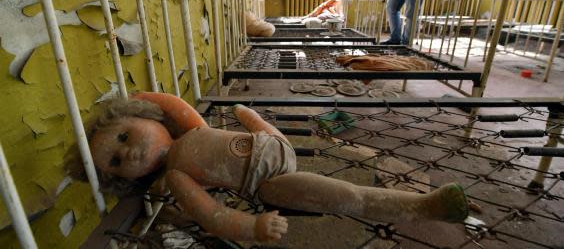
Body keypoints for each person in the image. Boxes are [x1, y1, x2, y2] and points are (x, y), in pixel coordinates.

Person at [67, 92, 468, 242]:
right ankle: (422, 206)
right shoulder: (177, 175)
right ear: (122, 180)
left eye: (123, 136)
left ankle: (421, 205)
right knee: (345, 195)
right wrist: (253, 228)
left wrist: (249, 117)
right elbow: (213, 215)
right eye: (117, 162)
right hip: (271, 181)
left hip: (273, 142)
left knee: (263, 128)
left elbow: (175, 105)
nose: (131, 152)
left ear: (146, 115)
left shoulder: (190, 131)